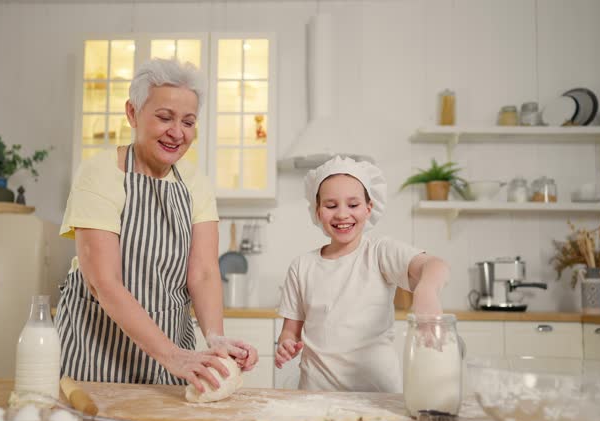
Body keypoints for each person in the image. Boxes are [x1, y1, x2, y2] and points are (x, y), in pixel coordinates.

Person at [55, 58, 258, 392]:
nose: (177, 133)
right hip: (96, 355)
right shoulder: (100, 175)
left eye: (188, 122)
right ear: (133, 113)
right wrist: (174, 356)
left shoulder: (196, 184)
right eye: (164, 118)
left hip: (170, 360)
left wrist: (214, 339)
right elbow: (103, 282)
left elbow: (204, 273)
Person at [274, 156, 450, 393]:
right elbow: (291, 330)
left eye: (353, 205)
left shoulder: (379, 253)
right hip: (315, 397)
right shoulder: (302, 266)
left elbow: (435, 265)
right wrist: (286, 343)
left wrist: (426, 292)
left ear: (369, 208)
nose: (342, 214)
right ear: (317, 211)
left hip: (377, 397)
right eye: (331, 205)